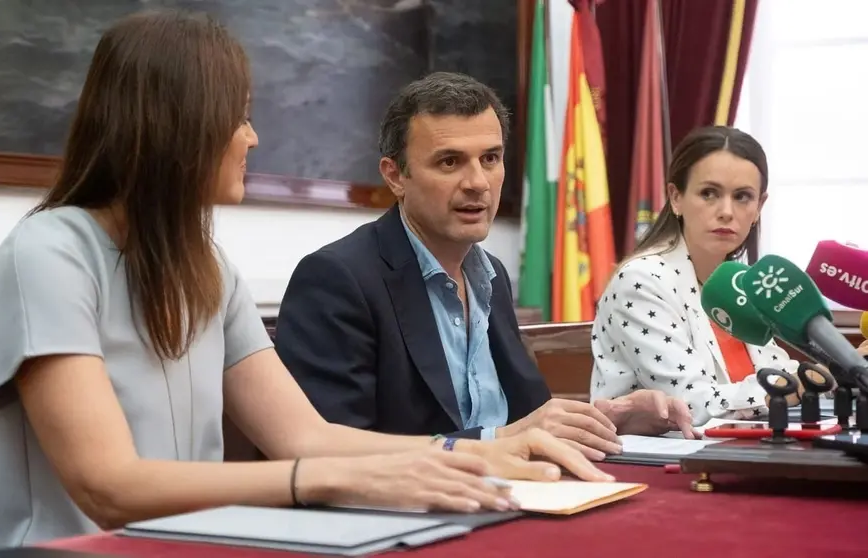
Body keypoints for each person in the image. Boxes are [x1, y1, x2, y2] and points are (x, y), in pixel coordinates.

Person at [0, 12, 614, 554]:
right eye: (238, 115)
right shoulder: (48, 254)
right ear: (177, 127)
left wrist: (487, 449)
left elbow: (307, 436)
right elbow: (108, 487)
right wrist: (349, 479)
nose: (253, 137)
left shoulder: (206, 267)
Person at [274, 72, 696, 464]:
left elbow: (526, 419)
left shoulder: (488, 272)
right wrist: (496, 444)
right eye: (449, 162)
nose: (477, 182)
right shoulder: (337, 279)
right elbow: (328, 452)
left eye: (490, 158)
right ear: (395, 176)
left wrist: (607, 419)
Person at [590, 126, 800, 426]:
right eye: (709, 194)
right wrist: (805, 384)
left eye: (742, 197)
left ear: (758, 208)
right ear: (676, 197)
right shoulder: (642, 281)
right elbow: (695, 406)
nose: (726, 211)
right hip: (653, 461)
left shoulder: (741, 284)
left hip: (744, 449)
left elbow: (780, 374)